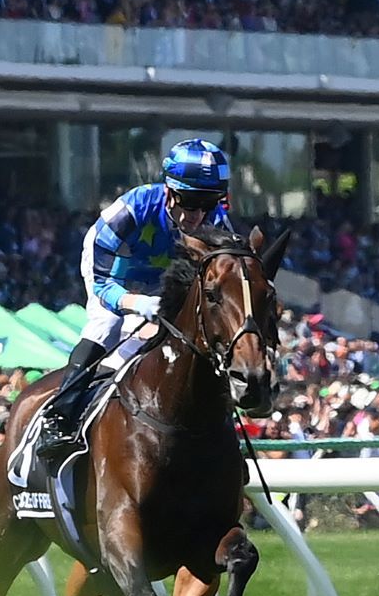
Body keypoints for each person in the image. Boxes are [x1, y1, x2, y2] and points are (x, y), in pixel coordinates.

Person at [30, 140, 231, 468]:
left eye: (209, 204)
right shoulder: (129, 211)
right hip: (113, 274)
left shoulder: (216, 221)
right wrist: (134, 303)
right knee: (107, 326)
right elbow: (100, 284)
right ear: (169, 191)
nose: (198, 216)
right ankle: (59, 416)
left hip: (162, 277)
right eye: (191, 202)